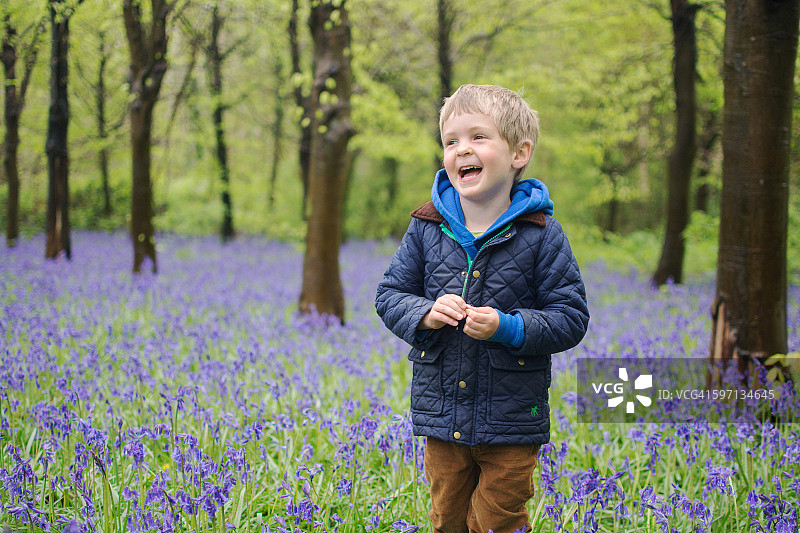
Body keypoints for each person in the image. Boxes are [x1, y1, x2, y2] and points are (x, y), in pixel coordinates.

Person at [375, 84, 589, 533]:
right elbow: (390, 295)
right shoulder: (427, 226)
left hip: (511, 421)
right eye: (451, 141)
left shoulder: (541, 233)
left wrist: (509, 327)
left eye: (478, 137)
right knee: (446, 519)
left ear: (519, 153)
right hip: (442, 417)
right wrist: (426, 314)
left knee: (498, 521)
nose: (461, 150)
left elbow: (570, 317)